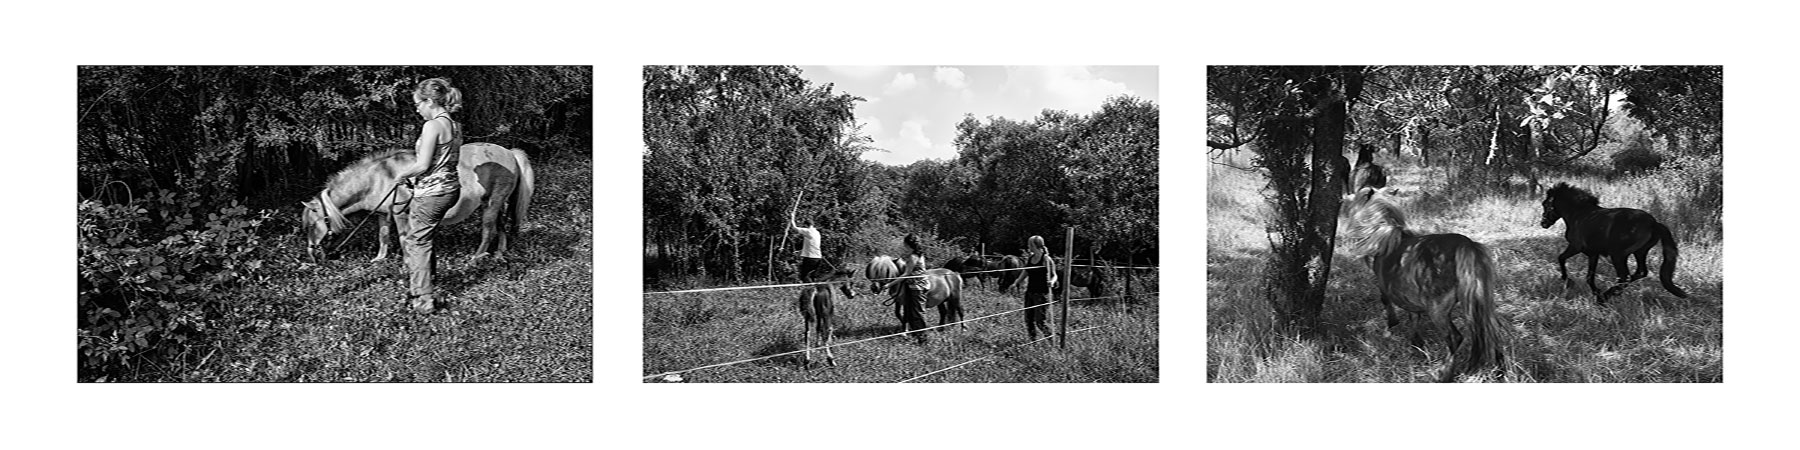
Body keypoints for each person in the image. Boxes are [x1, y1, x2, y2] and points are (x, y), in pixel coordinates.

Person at [396, 78, 463, 314]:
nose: (417, 109)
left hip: (431, 193)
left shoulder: (432, 125)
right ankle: (427, 283)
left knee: (417, 242)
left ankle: (423, 299)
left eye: (418, 104)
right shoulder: (454, 125)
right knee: (425, 237)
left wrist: (402, 175)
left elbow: (423, 164)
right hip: (451, 188)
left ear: (430, 101)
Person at [887, 233, 932, 343]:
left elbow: (906, 274)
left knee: (918, 313)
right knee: (913, 312)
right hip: (916, 285)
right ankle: (916, 335)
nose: (903, 246)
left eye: (904, 244)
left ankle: (923, 338)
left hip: (917, 287)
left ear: (908, 244)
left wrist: (889, 284)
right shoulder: (918, 254)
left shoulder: (913, 257)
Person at [1023, 235, 1058, 340]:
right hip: (1030, 292)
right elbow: (1026, 271)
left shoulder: (1046, 259)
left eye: (1030, 244)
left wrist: (1051, 282)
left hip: (1041, 294)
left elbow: (1054, 275)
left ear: (1036, 245)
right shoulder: (1030, 258)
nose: (1028, 246)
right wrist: (1016, 282)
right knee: (1028, 320)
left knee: (1040, 322)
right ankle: (1032, 342)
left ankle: (1052, 340)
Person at [788, 200, 827, 283]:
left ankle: (808, 291)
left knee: (804, 276)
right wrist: (800, 252)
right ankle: (813, 290)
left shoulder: (808, 231)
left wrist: (792, 218)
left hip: (810, 258)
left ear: (806, 225)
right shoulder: (817, 232)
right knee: (812, 276)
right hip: (818, 258)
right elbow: (812, 245)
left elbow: (794, 228)